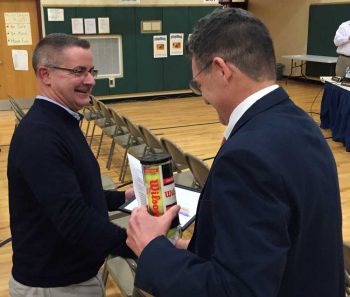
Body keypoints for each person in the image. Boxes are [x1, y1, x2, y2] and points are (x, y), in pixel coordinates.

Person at [126, 8, 345, 297]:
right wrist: (189, 251)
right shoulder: (302, 123)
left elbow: (237, 290)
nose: (202, 97)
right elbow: (276, 244)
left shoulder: (247, 157)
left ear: (221, 69)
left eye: (199, 84)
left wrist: (152, 249)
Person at [7, 33, 135, 296]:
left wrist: (123, 197)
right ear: (45, 75)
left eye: (91, 71)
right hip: (54, 286)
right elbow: (74, 219)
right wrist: (141, 245)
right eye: (78, 71)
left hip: (71, 279)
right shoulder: (41, 136)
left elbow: (70, 193)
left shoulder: (61, 121)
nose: (90, 80)